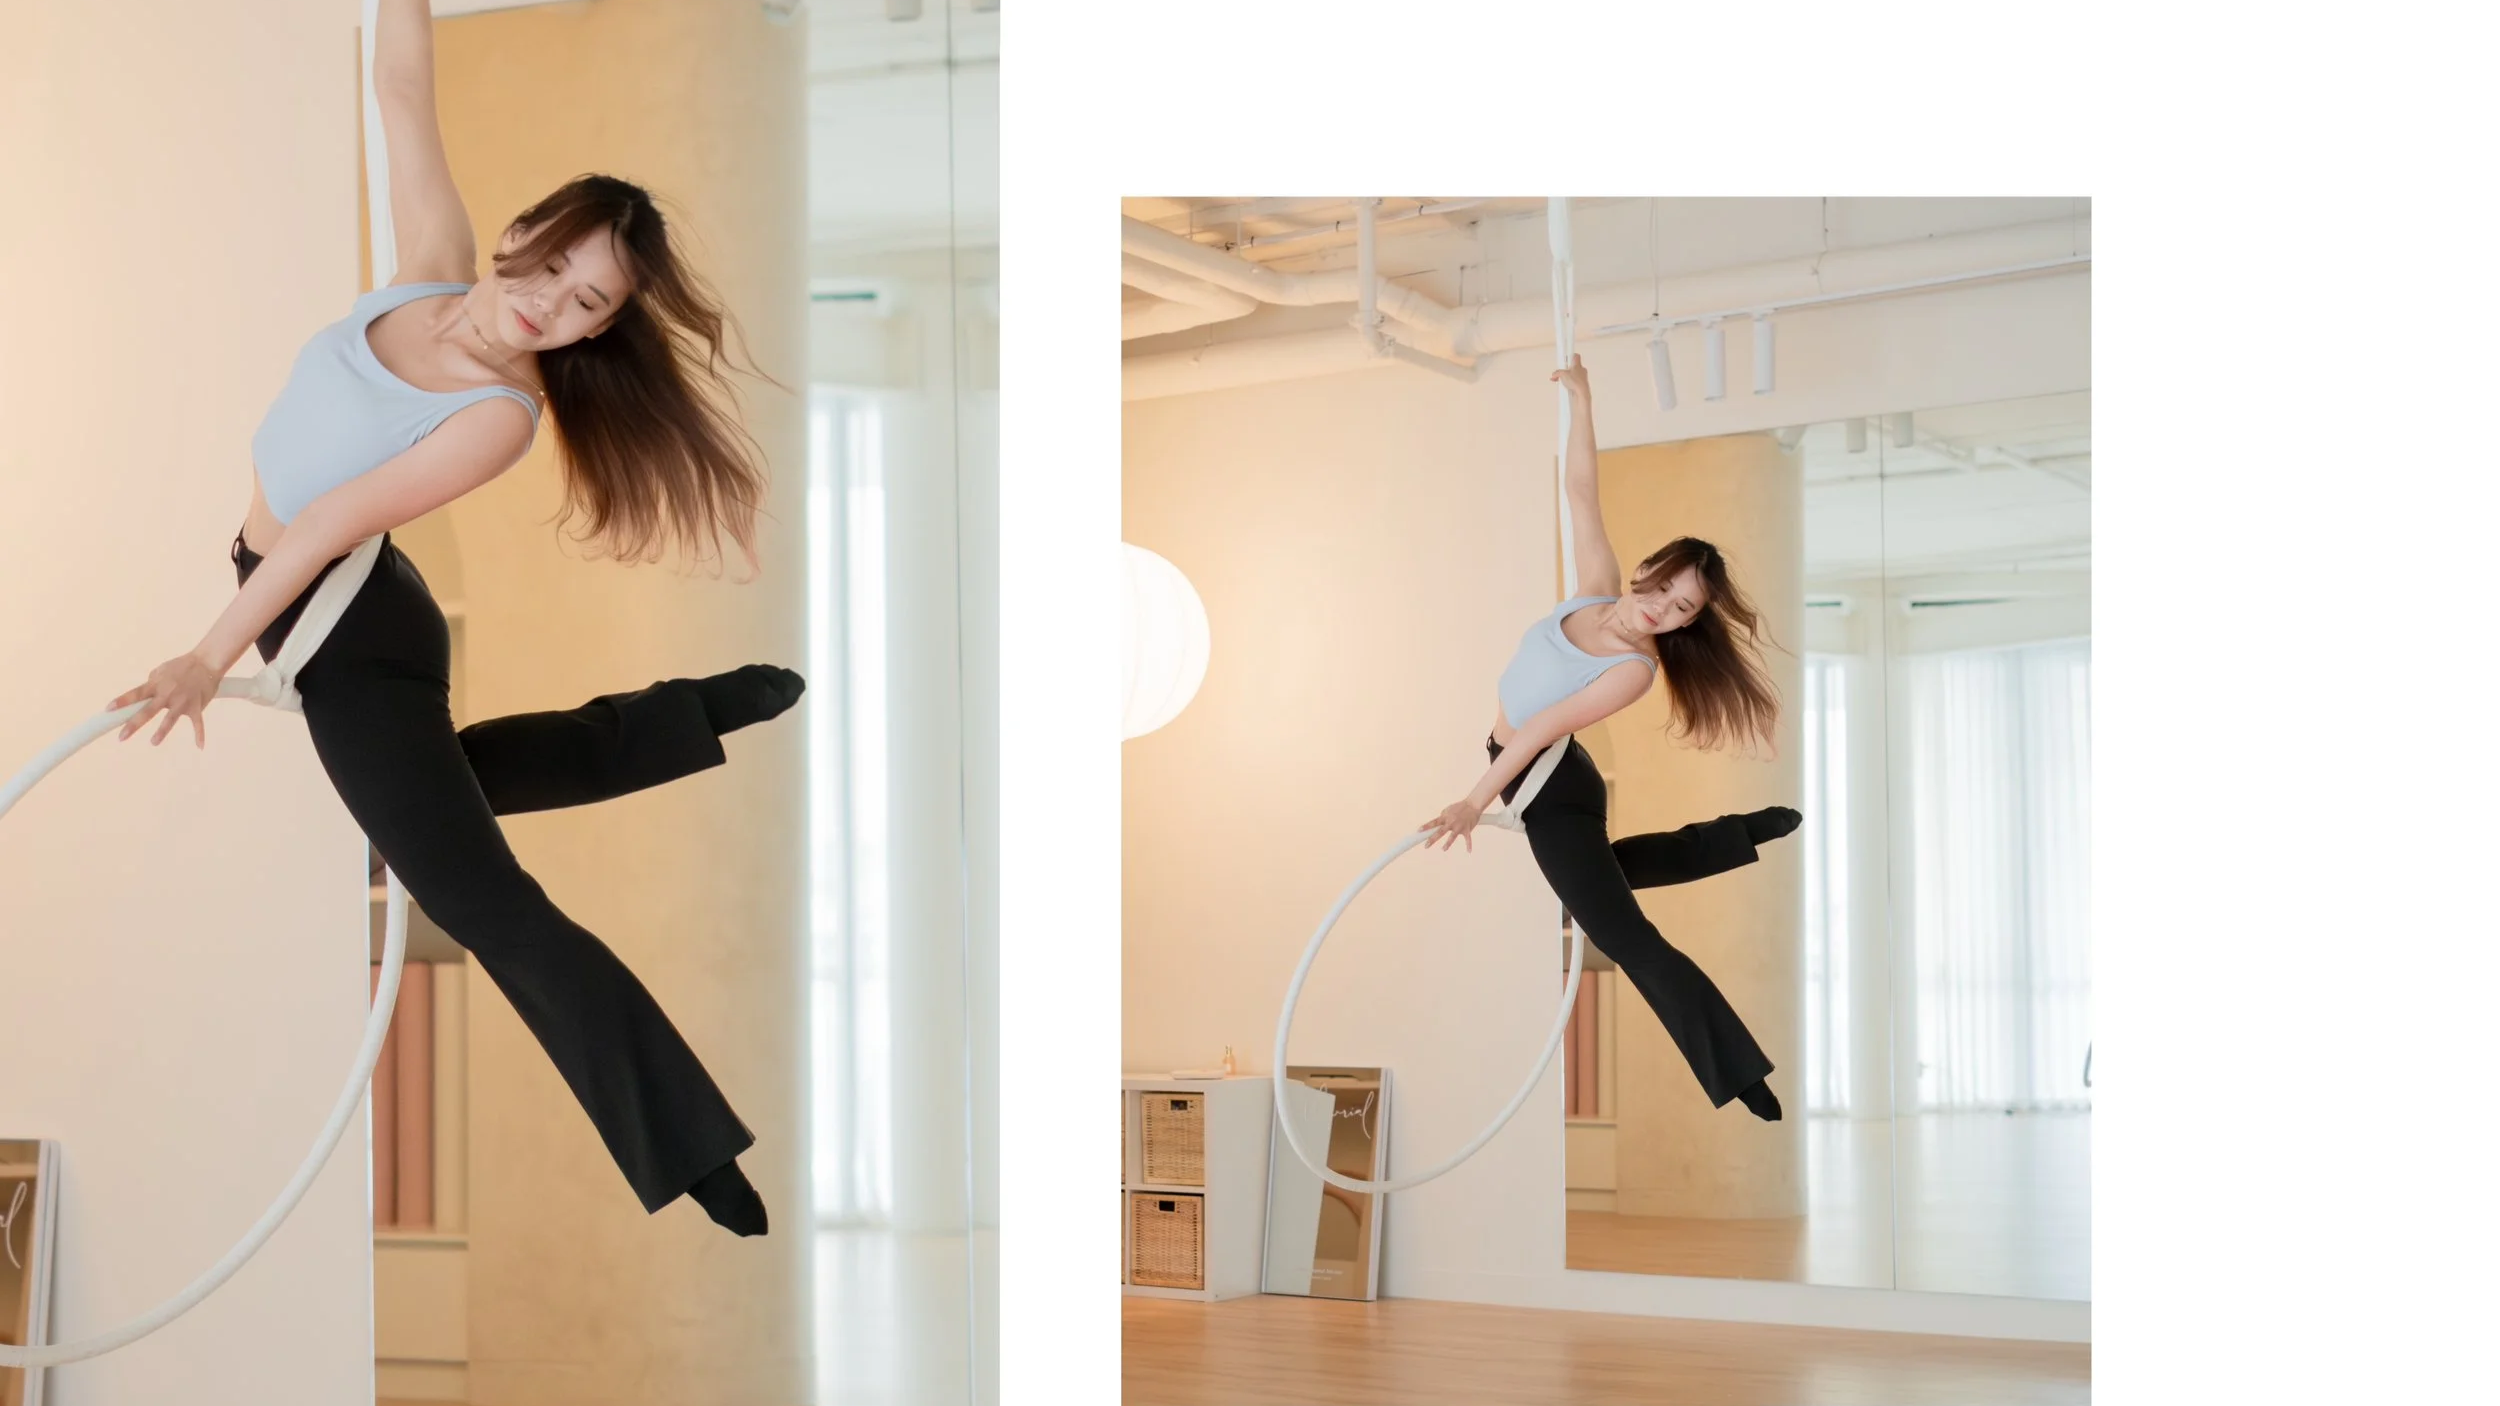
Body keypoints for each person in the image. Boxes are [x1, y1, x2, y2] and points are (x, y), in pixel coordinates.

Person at [105, 0, 793, 1235]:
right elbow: (403, 90)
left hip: (347, 632)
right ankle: (694, 712)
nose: (556, 312)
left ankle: (697, 1152)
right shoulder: (428, 265)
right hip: (347, 611)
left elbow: (320, 529)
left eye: (589, 309)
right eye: (557, 275)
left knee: (484, 901)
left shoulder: (496, 416)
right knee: (450, 800)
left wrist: (206, 656)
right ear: (522, 236)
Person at [1420, 355, 1797, 1122]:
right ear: (1651, 571)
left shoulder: (1633, 670)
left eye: (1685, 610)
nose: (1666, 610)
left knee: (1621, 934)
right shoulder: (1594, 588)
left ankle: (1739, 1070)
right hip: (1541, 773)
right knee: (1607, 883)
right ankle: (1733, 837)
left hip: (1548, 783)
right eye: (1667, 590)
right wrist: (1585, 401)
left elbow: (1543, 727)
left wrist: (1470, 802)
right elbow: (1580, 490)